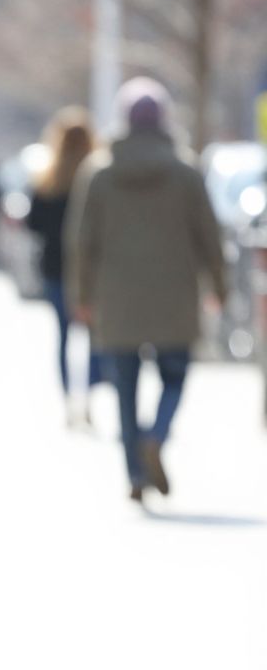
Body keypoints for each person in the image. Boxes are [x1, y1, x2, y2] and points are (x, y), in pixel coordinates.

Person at [66, 77, 226, 501]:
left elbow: (82, 241)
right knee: (175, 375)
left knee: (125, 389)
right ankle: (156, 434)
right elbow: (209, 236)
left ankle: (135, 475)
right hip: (175, 296)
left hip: (116, 299)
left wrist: (81, 296)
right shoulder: (186, 172)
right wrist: (220, 287)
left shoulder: (99, 172)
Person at [26, 106, 101, 421]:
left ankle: (69, 398)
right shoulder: (97, 177)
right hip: (92, 269)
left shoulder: (48, 177)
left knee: (64, 335)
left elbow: (33, 223)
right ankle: (89, 397)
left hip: (55, 268)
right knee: (94, 335)